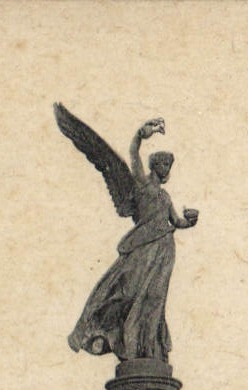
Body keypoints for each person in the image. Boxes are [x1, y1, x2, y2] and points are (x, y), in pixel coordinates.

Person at [68, 119, 198, 362]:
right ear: (155, 165)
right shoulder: (141, 183)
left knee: (155, 297)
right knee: (127, 290)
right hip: (142, 247)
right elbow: (132, 153)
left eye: (169, 164)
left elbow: (176, 221)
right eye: (164, 163)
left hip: (164, 249)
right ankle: (113, 334)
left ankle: (148, 347)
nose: (167, 168)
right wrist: (141, 134)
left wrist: (190, 221)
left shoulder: (165, 196)